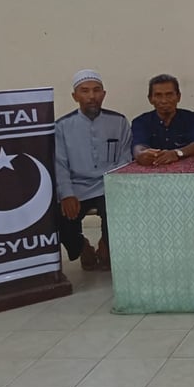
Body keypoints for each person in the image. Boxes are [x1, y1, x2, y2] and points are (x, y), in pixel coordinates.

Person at [55, 69, 132, 270]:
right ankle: (82, 247)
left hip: (109, 185)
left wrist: (116, 189)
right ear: (75, 96)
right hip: (77, 187)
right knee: (59, 217)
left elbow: (125, 160)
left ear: (103, 94)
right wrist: (66, 194)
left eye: (96, 90)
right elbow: (59, 164)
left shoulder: (119, 122)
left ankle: (106, 245)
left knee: (118, 211)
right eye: (85, 91)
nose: (91, 96)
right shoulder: (62, 126)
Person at [131, 73, 194, 165]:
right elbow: (138, 146)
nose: (164, 100)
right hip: (153, 169)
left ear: (178, 97)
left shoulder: (192, 118)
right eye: (158, 95)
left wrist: (177, 153)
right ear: (150, 99)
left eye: (169, 94)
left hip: (188, 168)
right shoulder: (141, 122)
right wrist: (141, 155)